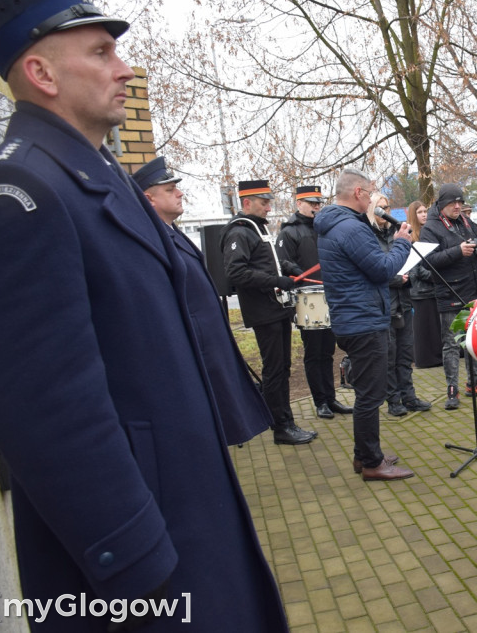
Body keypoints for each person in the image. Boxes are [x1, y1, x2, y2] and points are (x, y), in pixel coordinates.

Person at [0, 0, 288, 628]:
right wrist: (137, 562)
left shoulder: (93, 174)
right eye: (100, 51)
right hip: (134, 559)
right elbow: (47, 409)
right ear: (41, 74)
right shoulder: (23, 191)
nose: (122, 68)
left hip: (184, 504)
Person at [135, 157, 272, 445]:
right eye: (170, 189)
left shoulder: (172, 233)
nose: (180, 193)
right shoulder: (151, 240)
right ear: (149, 200)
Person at [315, 168, 415, 480]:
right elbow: (382, 268)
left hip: (353, 318)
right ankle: (372, 463)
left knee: (366, 393)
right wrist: (401, 242)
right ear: (358, 192)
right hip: (363, 322)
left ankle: (365, 454)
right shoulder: (351, 228)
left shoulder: (335, 225)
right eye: (370, 192)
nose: (373, 199)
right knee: (371, 396)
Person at [221, 180, 318, 445]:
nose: (268, 208)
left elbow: (270, 261)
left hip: (275, 309)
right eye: (264, 203)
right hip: (263, 311)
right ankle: (281, 427)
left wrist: (289, 267)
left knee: (282, 367)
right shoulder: (239, 232)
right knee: (275, 370)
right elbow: (236, 272)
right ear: (247, 203)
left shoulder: (256, 230)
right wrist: (276, 281)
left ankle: (285, 420)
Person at [277, 185, 353, 419]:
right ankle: (320, 401)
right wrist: (296, 271)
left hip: (329, 294)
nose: (316, 207)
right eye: (312, 203)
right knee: (314, 352)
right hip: (307, 298)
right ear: (299, 203)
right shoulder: (288, 232)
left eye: (319, 203)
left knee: (328, 351)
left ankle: (330, 398)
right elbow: (284, 263)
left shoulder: (324, 229)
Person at [420, 183, 477, 409]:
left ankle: (475, 383)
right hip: (449, 292)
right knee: (451, 344)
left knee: (473, 340)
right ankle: (451, 390)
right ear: (442, 204)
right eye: (453, 203)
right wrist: (457, 252)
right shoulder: (431, 228)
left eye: (460, 202)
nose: (457, 206)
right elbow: (428, 262)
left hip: (474, 290)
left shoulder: (466, 221)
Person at [369, 193, 432, 416]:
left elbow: (407, 262)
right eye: (380, 208)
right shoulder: (368, 237)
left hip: (403, 302)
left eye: (387, 207)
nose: (384, 212)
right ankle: (393, 400)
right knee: (389, 355)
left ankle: (409, 396)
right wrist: (396, 279)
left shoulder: (397, 234)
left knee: (405, 354)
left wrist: (409, 276)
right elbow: (373, 270)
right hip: (383, 304)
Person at [407, 199, 443, 368]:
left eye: (425, 211)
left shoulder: (429, 234)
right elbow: (415, 269)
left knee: (435, 327)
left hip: (433, 289)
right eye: (420, 212)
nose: (424, 215)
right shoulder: (410, 237)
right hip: (420, 291)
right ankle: (425, 360)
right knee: (423, 329)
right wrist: (437, 275)